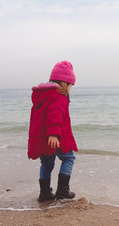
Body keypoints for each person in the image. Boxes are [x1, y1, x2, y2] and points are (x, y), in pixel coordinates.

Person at [27, 61, 78, 202]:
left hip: (42, 138)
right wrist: (54, 134)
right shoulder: (58, 96)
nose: (70, 89)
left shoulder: (43, 95)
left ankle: (44, 194)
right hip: (55, 137)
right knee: (69, 158)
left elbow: (40, 118)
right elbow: (54, 114)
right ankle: (62, 190)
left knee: (46, 164)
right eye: (71, 86)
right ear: (65, 83)